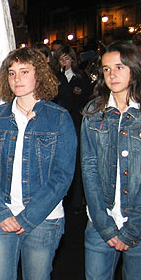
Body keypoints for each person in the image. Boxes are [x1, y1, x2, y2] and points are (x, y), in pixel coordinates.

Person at [0, 47, 77, 280]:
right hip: (0, 218)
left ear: (39, 76)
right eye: (12, 73)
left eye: (24, 72)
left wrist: (28, 217)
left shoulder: (58, 118)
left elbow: (62, 176)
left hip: (43, 220)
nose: (17, 79)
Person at [80, 41, 141, 280]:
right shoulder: (93, 114)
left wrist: (133, 228)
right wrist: (105, 224)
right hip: (101, 221)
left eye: (119, 67)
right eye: (106, 69)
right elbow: (89, 168)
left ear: (134, 69)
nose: (112, 74)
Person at [54, 45, 92, 211]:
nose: (64, 62)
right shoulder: (56, 77)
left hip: (75, 120)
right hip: (60, 122)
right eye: (61, 59)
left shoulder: (80, 77)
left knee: (76, 160)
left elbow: (86, 97)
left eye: (67, 59)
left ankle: (76, 200)